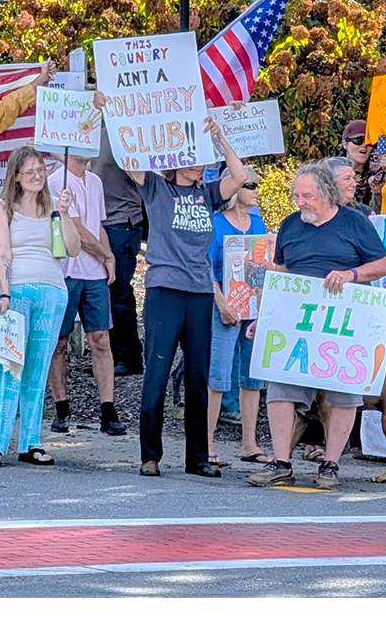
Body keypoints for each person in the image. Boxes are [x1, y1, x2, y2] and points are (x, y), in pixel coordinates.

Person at [96, 103, 247, 480]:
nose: (198, 165)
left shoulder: (208, 193)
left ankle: (197, 458)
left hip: (198, 292)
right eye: (191, 158)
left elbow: (239, 175)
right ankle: (150, 455)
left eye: (201, 159)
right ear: (175, 160)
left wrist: (219, 137)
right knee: (157, 373)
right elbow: (128, 155)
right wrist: (113, 113)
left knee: (198, 375)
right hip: (165, 288)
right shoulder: (156, 188)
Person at [248, 163, 386, 490]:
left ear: (326, 193)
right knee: (280, 391)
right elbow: (280, 272)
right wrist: (265, 316)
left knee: (344, 395)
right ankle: (281, 462)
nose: (301, 202)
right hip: (296, 324)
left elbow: (384, 265)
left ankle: (330, 464)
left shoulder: (355, 223)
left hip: (344, 325)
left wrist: (350, 275)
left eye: (308, 196)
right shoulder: (289, 226)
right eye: (297, 196)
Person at [0, 146, 81, 468]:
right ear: (17, 178)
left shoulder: (53, 206)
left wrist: (65, 213)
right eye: (30, 172)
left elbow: (72, 250)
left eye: (41, 170)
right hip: (15, 291)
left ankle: (31, 441)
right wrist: (4, 294)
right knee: (6, 368)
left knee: (37, 369)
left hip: (52, 292)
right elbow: (1, 255)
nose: (38, 176)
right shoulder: (2, 208)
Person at [46, 149, 127, 438]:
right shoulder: (57, 181)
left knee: (101, 339)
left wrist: (107, 257)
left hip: (92, 273)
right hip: (66, 269)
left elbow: (98, 225)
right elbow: (77, 231)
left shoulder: (95, 182)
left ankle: (108, 409)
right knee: (59, 341)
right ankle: (61, 407)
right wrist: (107, 254)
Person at [206, 165, 270, 466]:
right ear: (233, 190)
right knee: (218, 374)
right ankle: (206, 446)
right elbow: (205, 267)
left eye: (256, 185)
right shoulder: (215, 223)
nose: (256, 190)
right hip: (224, 306)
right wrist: (221, 303)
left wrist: (261, 308)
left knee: (252, 376)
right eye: (250, 185)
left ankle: (249, 443)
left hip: (252, 308)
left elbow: (262, 269)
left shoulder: (257, 224)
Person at [95, 127, 145, 376]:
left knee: (120, 292)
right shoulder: (94, 132)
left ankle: (131, 357)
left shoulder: (127, 130)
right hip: (98, 223)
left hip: (122, 221)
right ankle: (111, 355)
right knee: (103, 291)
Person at [339, 120, 374, 209]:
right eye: (358, 141)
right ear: (345, 144)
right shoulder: (330, 174)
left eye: (368, 142)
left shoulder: (375, 178)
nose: (364, 146)